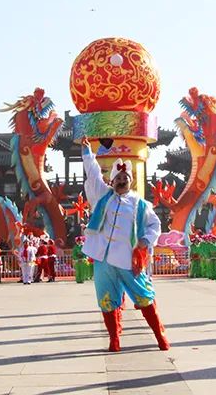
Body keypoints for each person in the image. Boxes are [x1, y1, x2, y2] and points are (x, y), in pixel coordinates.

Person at [81, 137, 168, 352]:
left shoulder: (140, 204)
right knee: (106, 299)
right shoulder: (103, 196)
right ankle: (114, 339)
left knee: (144, 296)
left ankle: (160, 336)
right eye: (118, 178)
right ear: (112, 181)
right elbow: (93, 173)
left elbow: (155, 224)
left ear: (131, 181)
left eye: (125, 178)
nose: (121, 180)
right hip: (103, 258)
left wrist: (145, 241)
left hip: (129, 259)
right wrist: (87, 152)